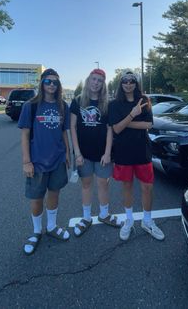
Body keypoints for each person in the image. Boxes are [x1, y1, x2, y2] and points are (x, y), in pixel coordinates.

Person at [18, 68, 71, 255]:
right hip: (37, 162)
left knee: (54, 193)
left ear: (59, 85)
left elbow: (64, 132)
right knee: (36, 198)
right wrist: (26, 161)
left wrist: (67, 153)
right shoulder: (30, 106)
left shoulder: (63, 106)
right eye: (48, 81)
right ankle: (36, 231)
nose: (51, 85)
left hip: (57, 159)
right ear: (41, 83)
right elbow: (24, 135)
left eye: (55, 82)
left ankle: (52, 226)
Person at [108, 70, 165, 241]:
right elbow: (116, 129)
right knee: (127, 187)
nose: (128, 83)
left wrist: (125, 122)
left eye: (131, 80)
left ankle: (147, 221)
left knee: (147, 187)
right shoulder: (114, 104)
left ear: (135, 83)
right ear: (121, 83)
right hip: (123, 152)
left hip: (142, 151)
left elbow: (148, 124)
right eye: (125, 80)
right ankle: (129, 220)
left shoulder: (145, 100)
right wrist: (132, 115)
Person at [70, 68, 120, 237]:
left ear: (103, 83)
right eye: (94, 79)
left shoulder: (107, 103)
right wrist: (77, 152)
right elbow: (72, 127)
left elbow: (109, 130)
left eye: (99, 80)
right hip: (83, 154)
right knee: (86, 184)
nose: (96, 83)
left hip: (102, 154)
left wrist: (107, 153)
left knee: (103, 183)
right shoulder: (78, 101)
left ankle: (104, 214)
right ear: (88, 80)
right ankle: (86, 218)